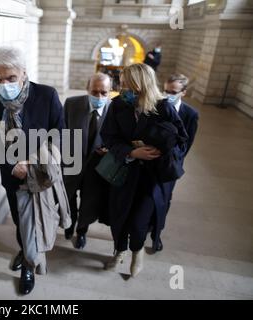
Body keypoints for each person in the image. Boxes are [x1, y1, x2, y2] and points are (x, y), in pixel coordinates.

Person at [0, 46, 65, 294]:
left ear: (24, 73)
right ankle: (26, 250)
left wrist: (33, 161)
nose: (4, 84)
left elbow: (59, 133)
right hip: (11, 174)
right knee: (20, 218)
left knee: (39, 219)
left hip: (41, 173)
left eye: (11, 78)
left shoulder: (46, 95)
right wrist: (9, 164)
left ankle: (29, 265)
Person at [102, 63, 187, 277]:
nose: (124, 92)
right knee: (119, 217)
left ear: (143, 86)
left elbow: (181, 141)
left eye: (129, 87)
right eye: (122, 86)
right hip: (124, 171)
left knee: (139, 222)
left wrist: (162, 148)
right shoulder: (118, 106)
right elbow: (109, 137)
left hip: (151, 176)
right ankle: (119, 250)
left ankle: (137, 252)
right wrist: (132, 153)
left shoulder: (164, 108)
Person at [149, 73, 199, 252]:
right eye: (165, 90)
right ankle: (146, 225)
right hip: (151, 160)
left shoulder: (190, 114)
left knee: (164, 199)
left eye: (173, 92)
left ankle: (157, 233)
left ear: (183, 92)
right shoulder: (157, 107)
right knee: (148, 196)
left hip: (170, 164)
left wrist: (174, 161)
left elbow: (187, 142)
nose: (168, 94)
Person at [63, 73, 112, 249]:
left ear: (110, 92)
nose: (99, 96)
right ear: (87, 89)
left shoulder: (114, 110)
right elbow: (62, 131)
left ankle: (82, 231)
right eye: (95, 91)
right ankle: (69, 225)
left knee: (89, 201)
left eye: (104, 93)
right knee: (68, 197)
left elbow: (120, 140)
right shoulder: (71, 104)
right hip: (72, 162)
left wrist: (110, 149)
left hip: (96, 167)